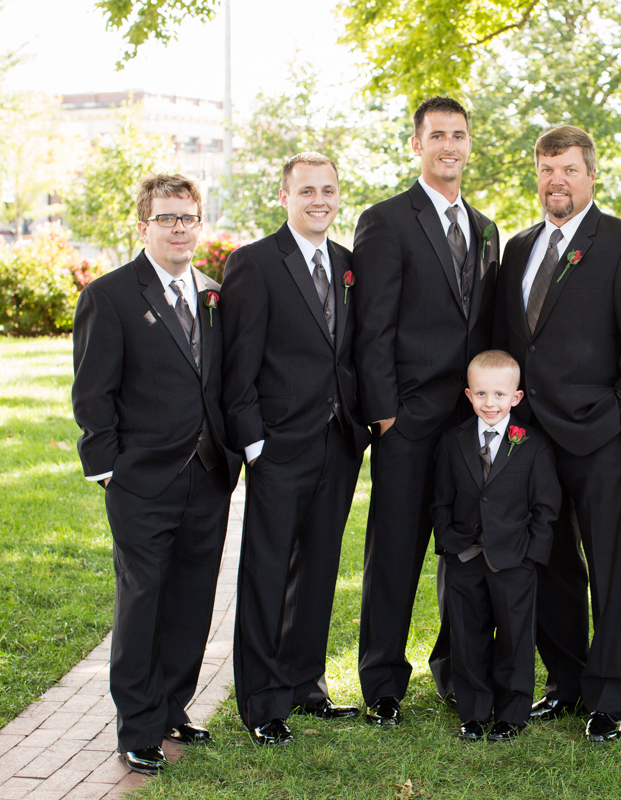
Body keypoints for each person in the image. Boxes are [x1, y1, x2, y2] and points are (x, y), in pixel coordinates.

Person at [493, 125, 621, 742]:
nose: (556, 181)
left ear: (592, 174)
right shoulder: (518, 247)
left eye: (568, 169)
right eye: (546, 170)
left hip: (596, 434)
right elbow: (514, 339)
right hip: (530, 438)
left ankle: (608, 696)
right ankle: (564, 682)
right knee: (549, 561)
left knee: (609, 568)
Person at [72, 174, 241, 774]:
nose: (178, 228)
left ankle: (172, 707)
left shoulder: (215, 294)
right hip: (140, 480)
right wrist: (108, 471)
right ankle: (137, 727)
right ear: (143, 225)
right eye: (167, 218)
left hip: (208, 473)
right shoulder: (110, 295)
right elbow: (93, 393)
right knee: (143, 601)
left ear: (199, 224)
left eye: (187, 217)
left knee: (193, 599)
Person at [353, 96, 499, 725]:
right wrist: (385, 415)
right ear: (417, 144)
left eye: (458, 135)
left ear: (468, 145)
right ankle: (383, 682)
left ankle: (456, 669)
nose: (449, 146)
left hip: (470, 424)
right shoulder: (386, 221)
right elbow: (372, 328)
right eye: (437, 135)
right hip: (408, 421)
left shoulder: (486, 229)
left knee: (465, 554)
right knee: (395, 553)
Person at [220, 152, 369, 746]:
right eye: (307, 190)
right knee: (267, 571)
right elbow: (238, 364)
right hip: (278, 443)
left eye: (328, 190)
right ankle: (262, 702)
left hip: (339, 441)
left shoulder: (348, 263)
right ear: (284, 197)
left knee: (319, 569)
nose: (319, 201)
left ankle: (306, 684)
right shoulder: (254, 263)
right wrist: (254, 443)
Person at [431, 350, 561, 742]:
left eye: (500, 395)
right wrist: (449, 544)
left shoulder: (533, 444)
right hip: (465, 556)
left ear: (516, 397)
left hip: (514, 559)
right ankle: (473, 712)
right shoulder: (453, 441)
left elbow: (546, 506)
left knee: (515, 638)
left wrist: (531, 556)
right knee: (466, 636)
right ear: (468, 395)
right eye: (482, 394)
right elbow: (442, 499)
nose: (491, 403)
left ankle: (511, 713)